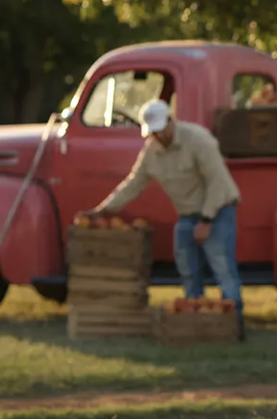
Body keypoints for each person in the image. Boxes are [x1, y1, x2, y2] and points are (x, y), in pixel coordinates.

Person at [85, 99, 244, 337]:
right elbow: (134, 183)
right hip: (188, 215)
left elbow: (217, 182)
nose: (157, 136)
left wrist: (207, 220)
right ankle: (196, 323)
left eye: (160, 130)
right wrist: (104, 209)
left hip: (217, 209)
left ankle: (234, 327)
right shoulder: (151, 150)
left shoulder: (199, 140)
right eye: (153, 132)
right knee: (187, 269)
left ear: (171, 121)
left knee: (223, 270)